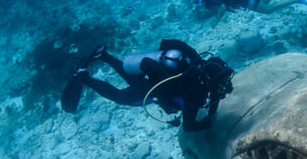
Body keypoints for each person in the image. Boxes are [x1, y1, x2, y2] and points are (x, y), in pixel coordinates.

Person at [61, 39, 234, 132]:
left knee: (132, 77)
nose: (226, 87)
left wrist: (212, 109)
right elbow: (189, 127)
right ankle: (85, 78)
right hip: (154, 89)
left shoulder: (198, 63)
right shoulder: (195, 95)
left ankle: (103, 55)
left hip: (154, 76)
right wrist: (210, 123)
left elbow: (215, 96)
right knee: (120, 97)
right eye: (223, 84)